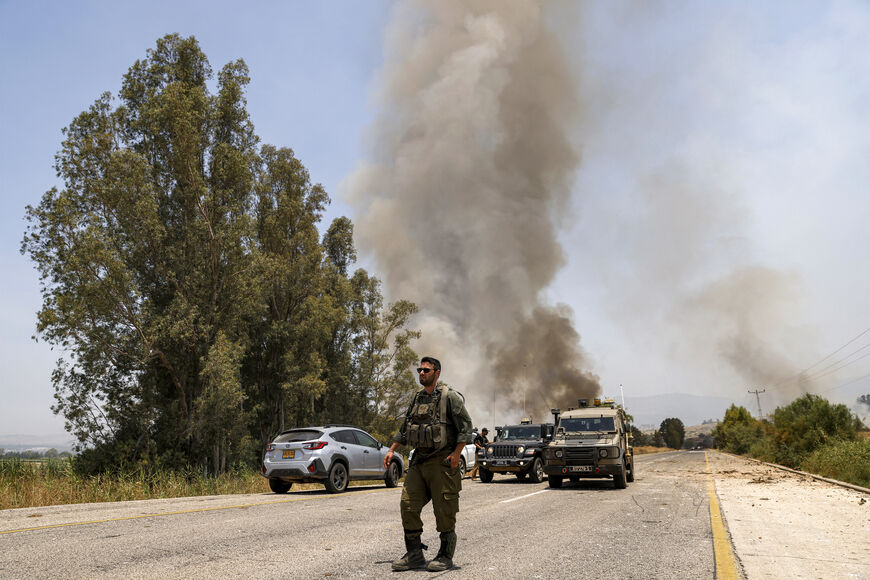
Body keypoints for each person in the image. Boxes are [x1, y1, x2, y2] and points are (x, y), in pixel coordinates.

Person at [384, 356, 473, 572]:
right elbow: (405, 427)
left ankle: (445, 555)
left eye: (426, 370)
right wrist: (392, 449)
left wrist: (456, 453)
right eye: (420, 370)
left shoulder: (449, 397)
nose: (421, 373)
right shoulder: (417, 399)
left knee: (444, 510)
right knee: (407, 505)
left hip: (442, 463)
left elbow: (466, 427)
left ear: (437, 372)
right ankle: (414, 554)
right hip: (419, 461)